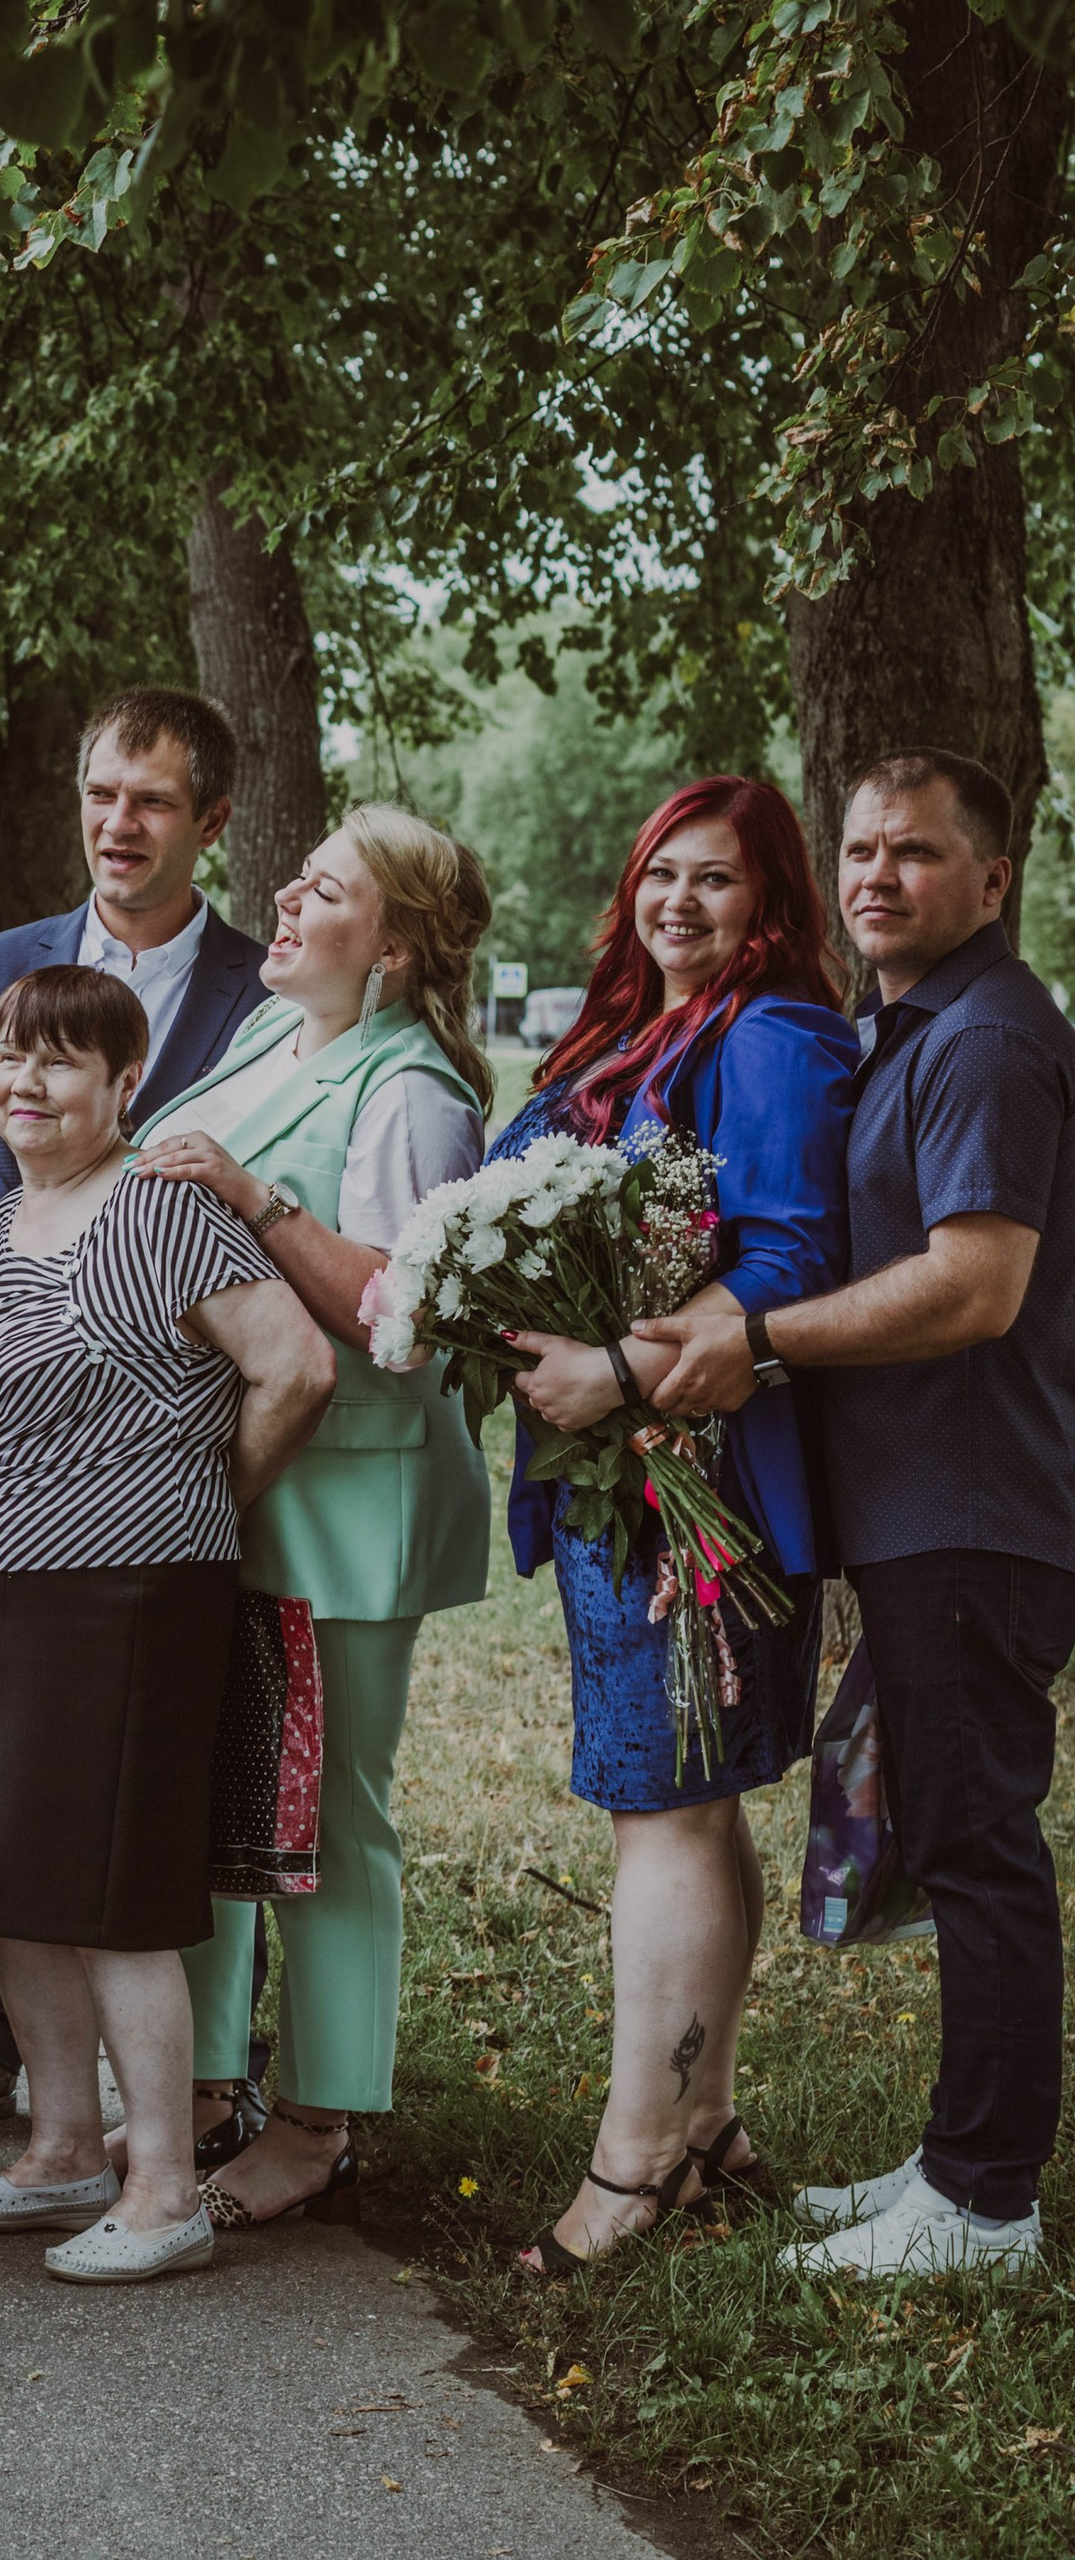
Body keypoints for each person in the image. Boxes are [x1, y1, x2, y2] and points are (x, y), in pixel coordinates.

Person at [643, 749, 1075, 2281]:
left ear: (994, 879)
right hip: (916, 1512)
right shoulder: (911, 1028)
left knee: (976, 1849)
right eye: (862, 849)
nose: (878, 874)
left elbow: (976, 1284)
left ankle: (985, 2205)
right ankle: (955, 2165)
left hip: (974, 1509)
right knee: (959, 1840)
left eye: (918, 851)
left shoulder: (992, 1040)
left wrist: (757, 1339)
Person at [476, 777, 856, 2274]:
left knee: (668, 1805)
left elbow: (787, 1255)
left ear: (770, 905)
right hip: (622, 1468)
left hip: (696, 1484)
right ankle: (703, 2123)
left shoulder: (769, 1038)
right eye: (661, 875)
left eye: (717, 881)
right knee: (681, 1800)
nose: (680, 903)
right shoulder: (631, 1031)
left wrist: (624, 1375)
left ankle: (632, 2166)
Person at [0, 967, 334, 2283]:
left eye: (63, 1065)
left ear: (123, 1085)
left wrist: (210, 1485)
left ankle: (163, 2192)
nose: (28, 1084)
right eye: (12, 1059)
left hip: (129, 1588)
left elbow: (297, 1364)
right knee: (14, 1886)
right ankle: (60, 2150)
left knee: (112, 1895)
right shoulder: (6, 1214)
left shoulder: (161, 1209)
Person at [127, 806, 496, 2226]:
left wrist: (257, 1198)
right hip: (221, 1478)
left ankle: (322, 2114)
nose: (284, 898)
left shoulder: (412, 1093)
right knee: (216, 1800)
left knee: (331, 1821)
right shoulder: (266, 1043)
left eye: (325, 889)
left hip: (347, 1500)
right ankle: (207, 2084)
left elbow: (405, 1320)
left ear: (393, 950)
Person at [0, 684, 270, 2143]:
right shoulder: (1, 963)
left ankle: (183, 2128)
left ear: (211, 822)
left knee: (127, 1847)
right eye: (101, 795)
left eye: (154, 802)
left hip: (152, 1491)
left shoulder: (262, 993)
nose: (119, 827)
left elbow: (280, 1349)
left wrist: (199, 1483)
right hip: (3, 1470)